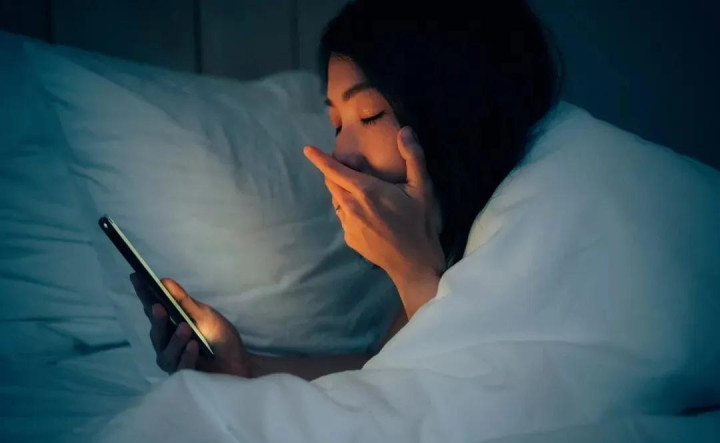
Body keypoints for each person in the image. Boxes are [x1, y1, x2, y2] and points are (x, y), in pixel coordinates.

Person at [129, 0, 562, 381]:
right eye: (337, 124)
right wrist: (245, 366)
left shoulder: (538, 217)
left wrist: (412, 270)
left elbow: (470, 396)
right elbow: (386, 367)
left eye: (369, 115)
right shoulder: (453, 232)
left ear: (454, 106)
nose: (342, 155)